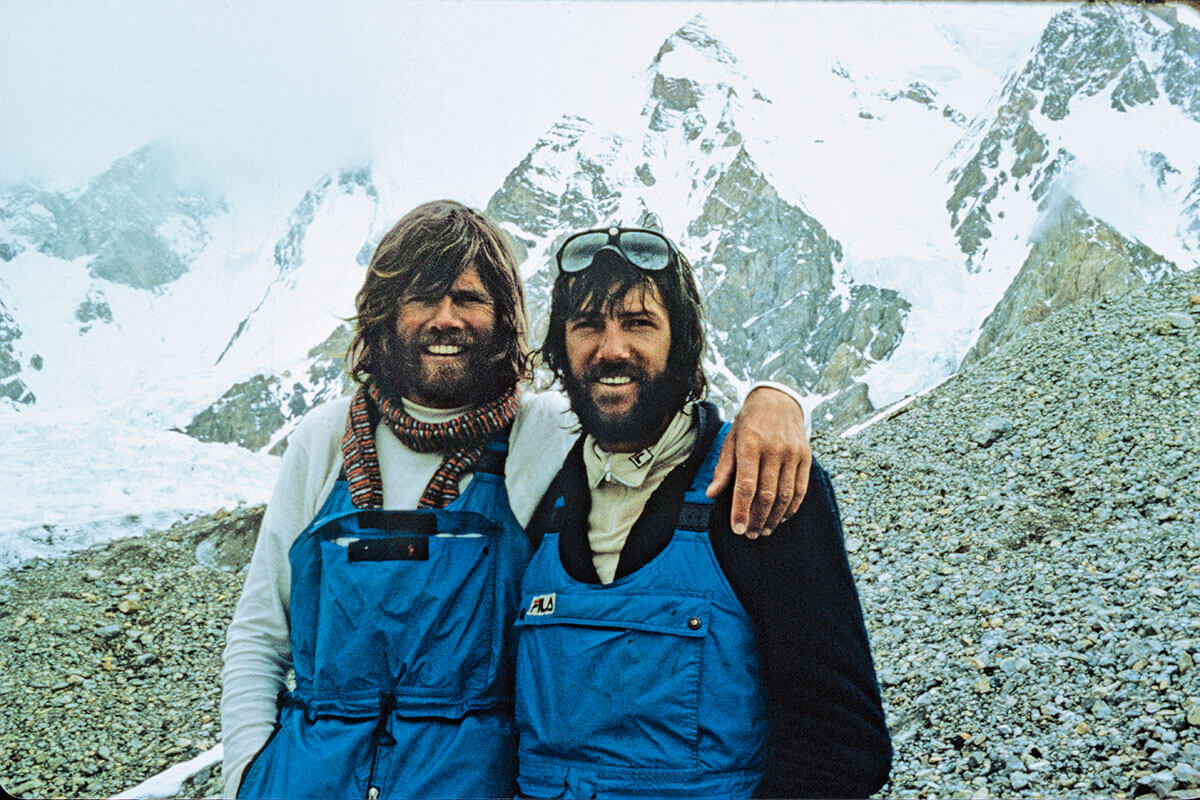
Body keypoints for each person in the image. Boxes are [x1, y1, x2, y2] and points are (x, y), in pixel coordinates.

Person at [221, 201, 812, 799]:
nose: (445, 319)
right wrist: (249, 775)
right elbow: (260, 634)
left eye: (469, 299)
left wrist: (775, 401)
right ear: (385, 313)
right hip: (306, 777)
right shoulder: (325, 439)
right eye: (422, 297)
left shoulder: (545, 432)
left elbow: (653, 417)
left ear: (505, 318)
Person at [513, 226, 892, 798]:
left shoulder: (759, 486)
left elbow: (840, 743)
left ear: (682, 341)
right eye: (587, 324)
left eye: (639, 323)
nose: (611, 348)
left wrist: (777, 399)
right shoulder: (532, 477)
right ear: (561, 348)